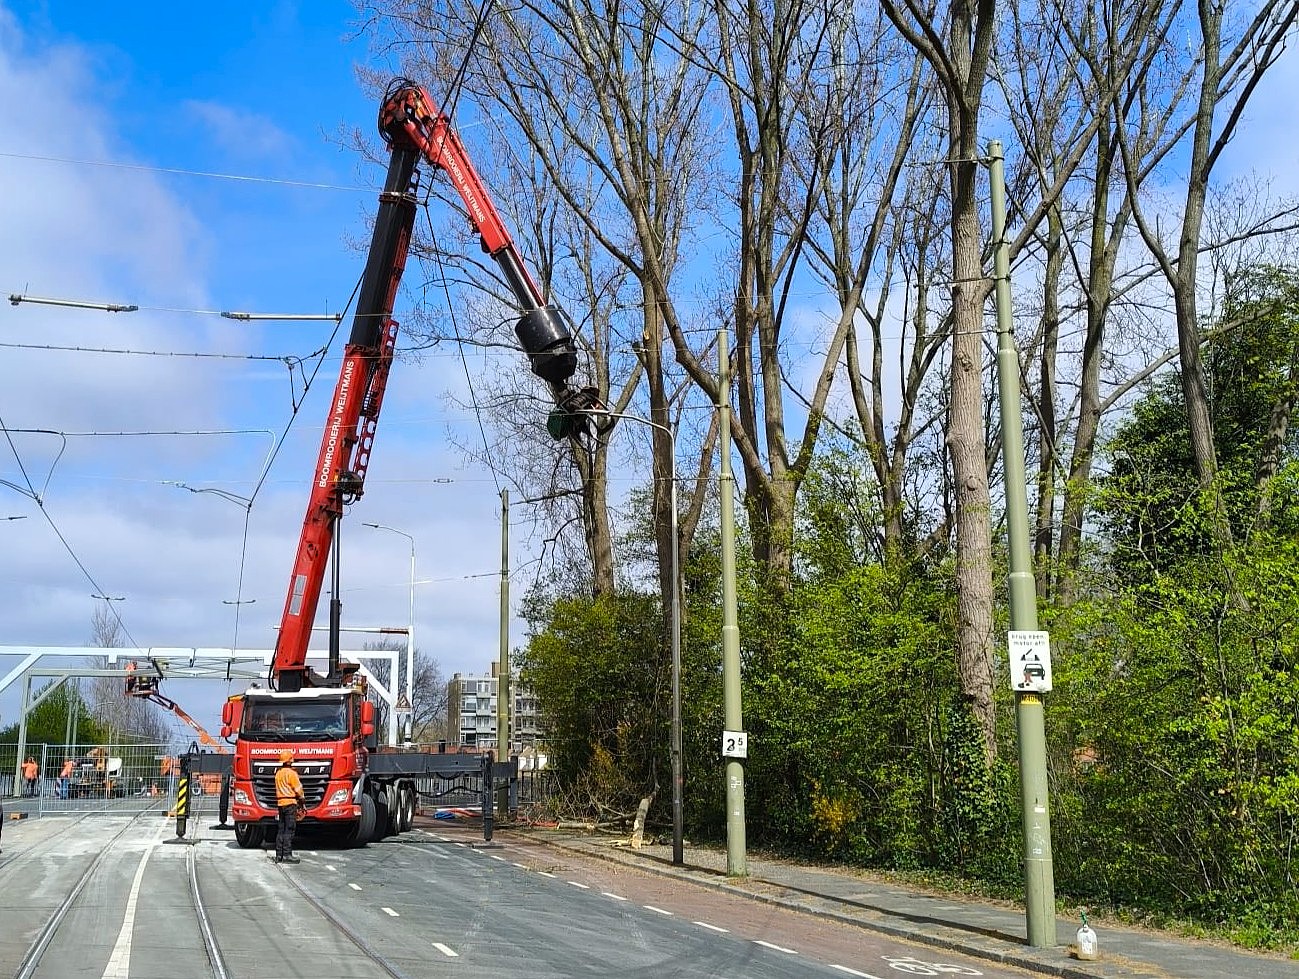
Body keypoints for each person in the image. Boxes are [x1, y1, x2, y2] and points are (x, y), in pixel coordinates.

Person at [273, 750, 304, 864]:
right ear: (290, 760)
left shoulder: (278, 773)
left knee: (281, 829)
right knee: (289, 829)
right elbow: (298, 789)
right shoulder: (291, 773)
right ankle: (287, 854)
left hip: (280, 804)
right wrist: (302, 800)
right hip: (290, 803)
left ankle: (279, 855)